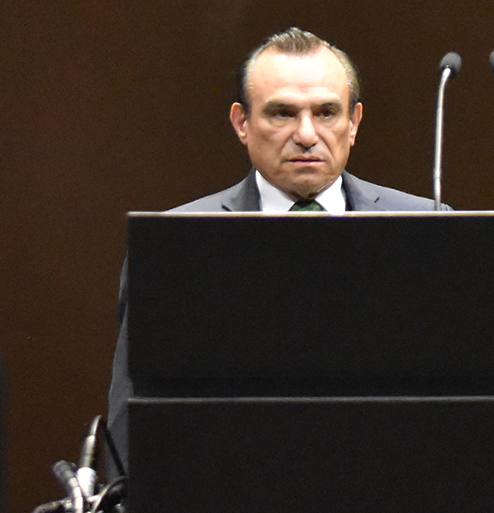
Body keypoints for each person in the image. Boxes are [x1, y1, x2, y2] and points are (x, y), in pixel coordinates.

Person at [103, 28, 440, 470]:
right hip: (229, 488)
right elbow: (131, 414)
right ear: (242, 123)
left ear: (354, 122)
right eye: (282, 114)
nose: (307, 134)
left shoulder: (427, 225)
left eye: (326, 113)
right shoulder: (179, 243)